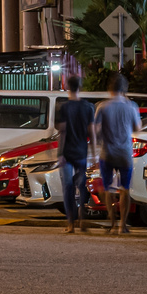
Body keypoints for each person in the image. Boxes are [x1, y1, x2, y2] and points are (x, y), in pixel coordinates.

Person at [94, 74, 143, 233]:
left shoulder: (103, 106)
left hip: (107, 152)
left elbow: (96, 129)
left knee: (107, 188)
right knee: (125, 188)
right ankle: (123, 225)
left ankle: (113, 223)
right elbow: (137, 128)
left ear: (110, 89)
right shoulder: (132, 106)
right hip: (124, 152)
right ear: (125, 89)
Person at [52, 76, 96, 233]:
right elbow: (92, 132)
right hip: (81, 151)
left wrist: (61, 153)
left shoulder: (63, 108)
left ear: (67, 87)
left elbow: (61, 130)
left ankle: (70, 224)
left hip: (66, 152)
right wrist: (93, 152)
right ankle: (83, 217)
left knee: (68, 187)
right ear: (81, 87)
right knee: (82, 184)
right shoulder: (88, 107)